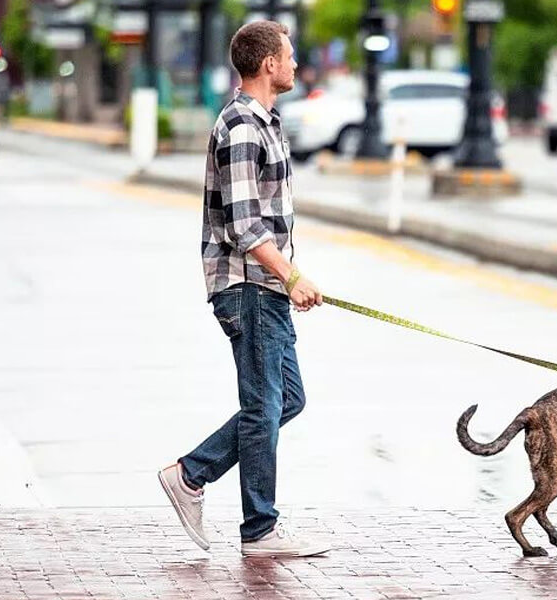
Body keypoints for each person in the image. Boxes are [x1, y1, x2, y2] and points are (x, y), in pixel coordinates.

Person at [157, 20, 329, 558]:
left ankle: (191, 473)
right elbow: (244, 225)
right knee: (263, 406)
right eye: (290, 56)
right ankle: (259, 529)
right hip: (248, 287)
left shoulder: (265, 122)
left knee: (286, 400)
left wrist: (288, 279)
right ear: (267, 64)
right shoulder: (241, 127)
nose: (296, 64)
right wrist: (291, 276)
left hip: (265, 288)